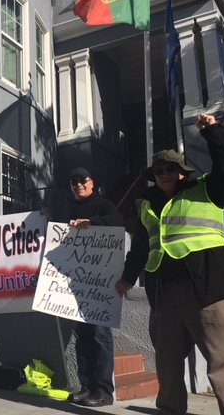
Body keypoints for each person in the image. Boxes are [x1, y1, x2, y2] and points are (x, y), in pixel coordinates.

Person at [116, 113, 224, 415]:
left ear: (182, 172)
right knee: (167, 362)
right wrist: (127, 278)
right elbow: (142, 247)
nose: (163, 174)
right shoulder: (147, 205)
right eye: (158, 171)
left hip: (210, 290)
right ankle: (170, 410)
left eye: (169, 169)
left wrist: (213, 131)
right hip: (165, 294)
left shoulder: (209, 190)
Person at [66, 167, 123, 407]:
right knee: (82, 337)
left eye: (83, 180)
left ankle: (103, 390)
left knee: (100, 335)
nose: (78, 184)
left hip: (100, 285)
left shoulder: (104, 205)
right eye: (74, 181)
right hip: (78, 284)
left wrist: (93, 222)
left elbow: (117, 223)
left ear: (92, 183)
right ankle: (86, 386)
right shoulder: (72, 209)